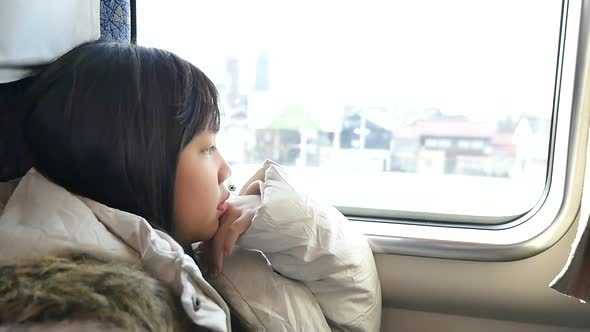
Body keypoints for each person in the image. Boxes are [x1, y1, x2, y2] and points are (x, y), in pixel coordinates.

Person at [23, 41, 257, 274]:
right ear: (137, 162)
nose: (225, 170)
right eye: (207, 148)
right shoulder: (104, 294)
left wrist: (268, 214)